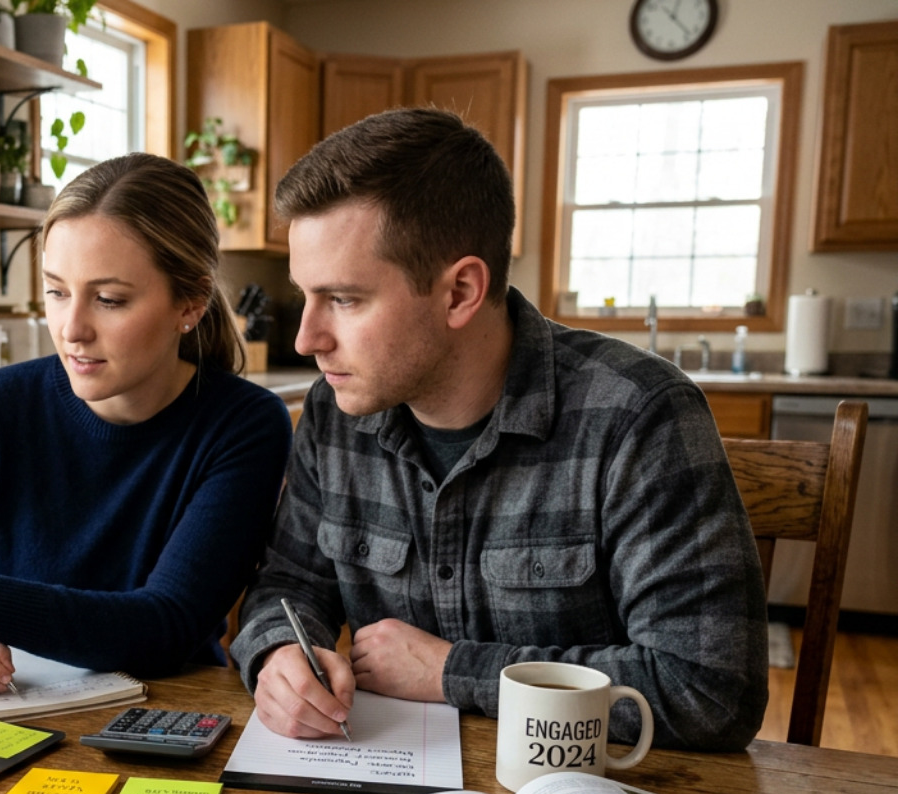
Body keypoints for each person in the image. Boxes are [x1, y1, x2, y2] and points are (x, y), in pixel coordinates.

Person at [229, 107, 767, 751]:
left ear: (460, 292)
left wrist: (454, 672)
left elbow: (709, 690)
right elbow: (289, 585)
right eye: (305, 295)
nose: (307, 337)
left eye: (344, 299)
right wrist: (278, 656)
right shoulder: (335, 411)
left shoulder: (637, 415)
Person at [0, 153, 292, 697]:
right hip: (13, 706)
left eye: (109, 299)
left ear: (191, 302)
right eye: (56, 292)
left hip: (171, 712)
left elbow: (168, 626)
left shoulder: (245, 424)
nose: (72, 329)